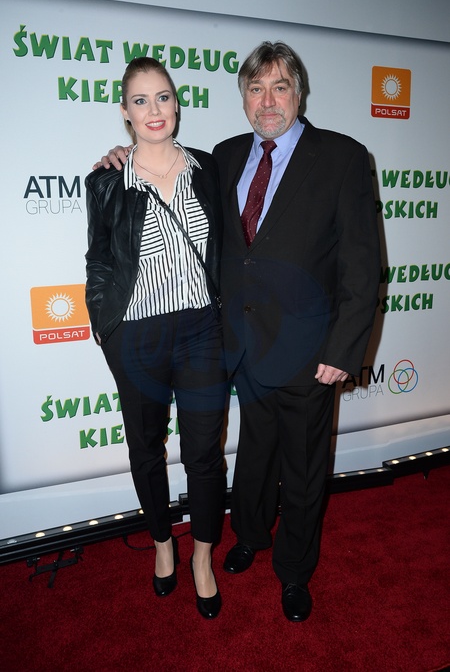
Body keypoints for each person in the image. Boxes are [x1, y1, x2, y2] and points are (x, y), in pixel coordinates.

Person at [95, 40, 380, 623]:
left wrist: (343, 349)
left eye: (279, 87)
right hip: (239, 346)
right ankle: (249, 534)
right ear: (243, 98)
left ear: (299, 92)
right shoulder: (221, 158)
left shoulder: (344, 157)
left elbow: (363, 263)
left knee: (303, 469)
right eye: (255, 88)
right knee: (252, 455)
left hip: (309, 352)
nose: (267, 101)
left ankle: (294, 571)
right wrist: (116, 156)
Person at [85, 56, 227, 619]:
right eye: (140, 100)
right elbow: (99, 261)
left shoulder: (209, 168)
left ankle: (202, 557)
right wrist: (106, 328)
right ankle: (164, 545)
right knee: (147, 450)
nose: (153, 110)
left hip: (202, 330)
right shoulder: (106, 180)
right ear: (125, 111)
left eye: (162, 97)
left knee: (204, 453)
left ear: (177, 103)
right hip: (136, 335)